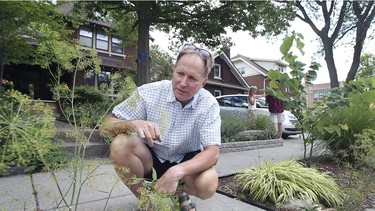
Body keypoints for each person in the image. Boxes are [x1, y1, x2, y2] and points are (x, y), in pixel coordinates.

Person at [100, 43, 221, 210]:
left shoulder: (209, 104)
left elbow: (212, 153)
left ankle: (179, 192)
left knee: (208, 184)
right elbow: (104, 127)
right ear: (173, 70)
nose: (183, 83)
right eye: (180, 73)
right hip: (151, 156)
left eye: (192, 78)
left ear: (203, 83)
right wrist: (133, 124)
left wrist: (175, 173)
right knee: (120, 143)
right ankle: (146, 202)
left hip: (186, 161)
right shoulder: (149, 92)